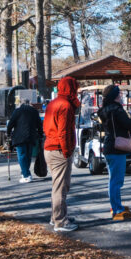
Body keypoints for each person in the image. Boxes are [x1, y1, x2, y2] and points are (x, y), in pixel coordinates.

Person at [43, 76, 80, 232]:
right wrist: (67, 151)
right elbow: (63, 131)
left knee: (58, 186)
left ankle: (56, 217)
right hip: (59, 149)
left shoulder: (54, 103)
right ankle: (60, 221)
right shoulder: (65, 105)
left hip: (50, 147)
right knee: (60, 188)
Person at [98, 84, 131, 221]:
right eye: (119, 94)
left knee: (113, 179)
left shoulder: (104, 110)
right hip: (117, 147)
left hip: (109, 145)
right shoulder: (117, 110)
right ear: (115, 96)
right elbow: (129, 124)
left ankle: (116, 205)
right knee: (116, 181)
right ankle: (116, 208)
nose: (121, 96)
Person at [6, 98, 45, 184]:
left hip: (19, 137)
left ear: (21, 103)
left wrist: (8, 133)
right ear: (29, 103)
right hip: (31, 136)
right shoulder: (34, 111)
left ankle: (26, 175)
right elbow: (39, 124)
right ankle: (24, 173)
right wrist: (40, 134)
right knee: (28, 156)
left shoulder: (17, 111)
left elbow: (11, 123)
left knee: (22, 156)